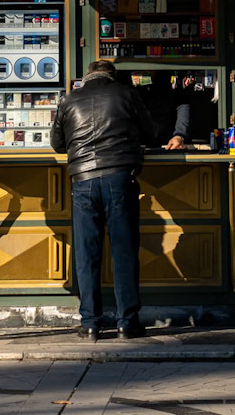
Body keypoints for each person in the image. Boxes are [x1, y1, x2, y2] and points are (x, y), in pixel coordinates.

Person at [50, 58, 156, 340]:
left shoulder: (68, 101)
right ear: (112, 76)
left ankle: (90, 323)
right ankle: (127, 323)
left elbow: (57, 144)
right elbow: (151, 132)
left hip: (83, 180)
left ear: (88, 77)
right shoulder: (126, 94)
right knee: (123, 252)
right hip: (119, 177)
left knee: (87, 254)